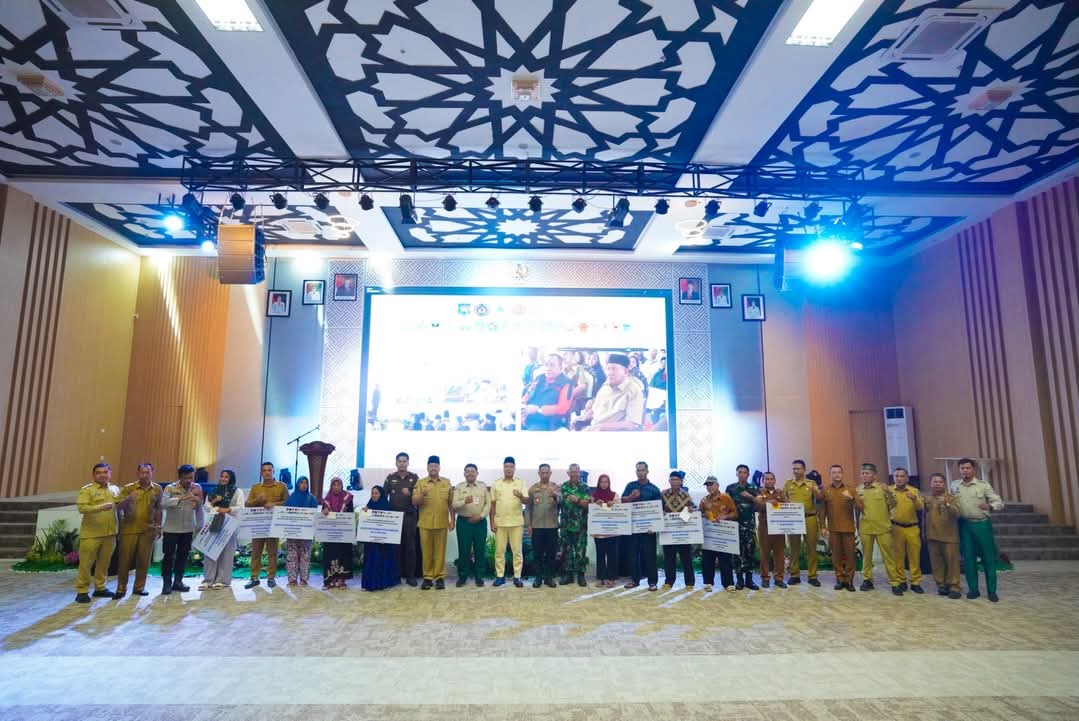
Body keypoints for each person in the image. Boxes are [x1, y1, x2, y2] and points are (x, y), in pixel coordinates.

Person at [951, 457, 1004, 602]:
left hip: (982, 525)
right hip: (964, 525)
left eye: (968, 468)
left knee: (988, 559)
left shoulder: (983, 485)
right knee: (968, 559)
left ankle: (992, 591)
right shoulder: (954, 485)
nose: (965, 471)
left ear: (973, 469)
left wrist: (991, 506)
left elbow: (998, 502)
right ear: (959, 470)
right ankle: (973, 590)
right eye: (962, 468)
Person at [74, 462, 121, 603]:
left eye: (105, 472)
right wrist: (100, 507)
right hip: (91, 534)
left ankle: (100, 587)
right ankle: (82, 591)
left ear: (110, 473)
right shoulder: (87, 490)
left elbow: (119, 505)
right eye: (98, 473)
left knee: (104, 563)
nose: (102, 475)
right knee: (86, 564)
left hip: (110, 533)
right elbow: (82, 508)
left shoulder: (115, 489)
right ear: (94, 475)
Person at [114, 462, 162, 599]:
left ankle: (139, 587)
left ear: (152, 473)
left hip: (148, 530)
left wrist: (158, 526)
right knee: (124, 561)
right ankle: (121, 588)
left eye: (147, 472)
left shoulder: (157, 489)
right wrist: (129, 498)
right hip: (129, 529)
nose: (144, 475)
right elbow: (117, 507)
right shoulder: (128, 488)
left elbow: (158, 508)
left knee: (144, 561)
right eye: (142, 472)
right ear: (137, 473)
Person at [856, 463, 901, 594]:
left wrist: (889, 492)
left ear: (874, 475)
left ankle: (895, 582)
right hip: (865, 527)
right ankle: (867, 580)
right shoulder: (858, 490)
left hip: (883, 527)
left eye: (867, 473)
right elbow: (856, 508)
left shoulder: (882, 488)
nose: (865, 475)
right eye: (863, 473)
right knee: (867, 556)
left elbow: (893, 504)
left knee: (888, 556)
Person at [160, 464, 204, 595]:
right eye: (185, 478)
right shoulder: (170, 488)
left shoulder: (197, 488)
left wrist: (197, 500)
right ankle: (166, 584)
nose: (188, 481)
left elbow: (199, 506)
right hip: (171, 529)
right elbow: (163, 503)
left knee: (183, 556)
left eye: (191, 477)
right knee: (168, 557)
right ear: (179, 477)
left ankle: (178, 582)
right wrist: (181, 498)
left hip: (188, 529)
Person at [244, 461, 289, 589]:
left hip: (274, 525)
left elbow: (288, 502)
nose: (267, 472)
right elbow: (247, 505)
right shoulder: (255, 487)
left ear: (273, 471)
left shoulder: (282, 486)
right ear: (261, 473)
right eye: (264, 470)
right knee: (256, 552)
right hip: (258, 524)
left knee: (272, 552)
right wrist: (257, 500)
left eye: (269, 470)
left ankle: (271, 578)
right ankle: (254, 578)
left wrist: (274, 504)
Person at [199, 469, 244, 590]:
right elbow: (207, 506)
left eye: (226, 477)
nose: (223, 479)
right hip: (214, 521)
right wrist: (216, 505)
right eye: (222, 476)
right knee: (210, 550)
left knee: (227, 552)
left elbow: (240, 507)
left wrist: (228, 510)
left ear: (231, 479)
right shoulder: (214, 490)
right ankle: (208, 580)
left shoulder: (237, 491)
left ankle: (222, 580)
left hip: (230, 523)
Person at [414, 455, 453, 590]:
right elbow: (414, 501)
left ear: (439, 467)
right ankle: (428, 578)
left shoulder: (446, 482)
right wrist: (423, 494)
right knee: (426, 552)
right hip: (425, 523)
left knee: (440, 552)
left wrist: (452, 520)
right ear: (427, 467)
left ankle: (440, 577)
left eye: (436, 466)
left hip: (442, 523)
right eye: (431, 466)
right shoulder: (421, 483)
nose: (433, 468)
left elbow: (450, 503)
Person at [820, 464, 861, 591]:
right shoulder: (826, 490)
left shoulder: (851, 489)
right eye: (834, 472)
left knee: (850, 556)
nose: (836, 474)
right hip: (833, 530)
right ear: (830, 475)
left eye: (839, 472)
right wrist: (823, 527)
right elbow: (822, 510)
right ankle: (839, 579)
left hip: (848, 529)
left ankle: (849, 580)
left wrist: (852, 498)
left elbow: (861, 507)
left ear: (842, 474)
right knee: (836, 556)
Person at [622, 461, 662, 591]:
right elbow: (622, 501)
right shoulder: (630, 486)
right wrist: (631, 497)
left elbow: (659, 509)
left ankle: (652, 582)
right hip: (633, 527)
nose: (640, 472)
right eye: (638, 470)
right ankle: (634, 580)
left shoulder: (654, 489)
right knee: (632, 555)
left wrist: (655, 527)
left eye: (642, 470)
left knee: (650, 555)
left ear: (647, 471)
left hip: (649, 529)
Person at [582, 353, 645, 431]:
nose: (610, 373)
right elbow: (596, 411)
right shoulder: (605, 387)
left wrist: (599, 427)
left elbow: (631, 424)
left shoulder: (633, 390)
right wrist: (584, 418)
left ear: (625, 372)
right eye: (608, 369)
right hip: (592, 428)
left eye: (614, 369)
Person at [452, 463, 490, 587]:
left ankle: (479, 576)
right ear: (464, 474)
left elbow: (488, 504)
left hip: (480, 522)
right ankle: (462, 576)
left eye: (472, 471)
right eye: (467, 471)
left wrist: (481, 516)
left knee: (480, 549)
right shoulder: (459, 487)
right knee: (464, 550)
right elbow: (454, 505)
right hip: (464, 522)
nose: (470, 473)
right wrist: (464, 501)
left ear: (477, 473)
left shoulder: (483, 486)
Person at [384, 452, 420, 586]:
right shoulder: (390, 478)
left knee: (410, 547)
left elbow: (419, 498)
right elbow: (383, 497)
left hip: (410, 517)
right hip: (394, 518)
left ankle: (410, 576)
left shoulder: (414, 478)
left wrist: (409, 494)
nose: (402, 464)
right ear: (396, 463)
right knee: (395, 548)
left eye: (404, 461)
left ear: (408, 463)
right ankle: (396, 575)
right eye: (400, 461)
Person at [784, 459, 821, 587]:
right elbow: (783, 499)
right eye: (794, 469)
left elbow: (820, 499)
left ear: (804, 470)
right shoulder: (788, 484)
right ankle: (794, 575)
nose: (796, 471)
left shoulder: (811, 483)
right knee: (793, 548)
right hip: (793, 519)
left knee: (811, 548)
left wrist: (816, 491)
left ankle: (812, 576)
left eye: (798, 468)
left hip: (809, 518)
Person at [925, 473, 962, 599]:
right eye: (934, 482)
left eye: (940, 482)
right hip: (932, 536)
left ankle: (954, 586)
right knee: (937, 563)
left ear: (944, 484)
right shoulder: (927, 499)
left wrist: (946, 504)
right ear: (930, 484)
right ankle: (941, 584)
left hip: (949, 536)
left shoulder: (951, 498)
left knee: (952, 563)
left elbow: (957, 513)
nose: (937, 484)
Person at [490, 457, 526, 587]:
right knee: (499, 552)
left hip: (516, 522)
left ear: (514, 468)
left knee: (517, 552)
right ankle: (500, 576)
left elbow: (527, 501)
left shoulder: (520, 483)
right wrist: (492, 522)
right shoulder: (496, 483)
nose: (508, 469)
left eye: (511, 466)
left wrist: (520, 496)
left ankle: (517, 577)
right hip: (500, 523)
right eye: (506, 466)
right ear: (503, 468)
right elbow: (493, 504)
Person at [698, 476, 737, 592]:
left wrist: (725, 516)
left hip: (723, 535)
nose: (709, 487)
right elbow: (699, 515)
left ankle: (728, 583)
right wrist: (703, 514)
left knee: (725, 559)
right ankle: (708, 583)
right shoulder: (703, 500)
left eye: (711, 484)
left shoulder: (726, 498)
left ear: (717, 485)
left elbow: (735, 513)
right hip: (709, 535)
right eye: (707, 485)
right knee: (707, 559)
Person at [525, 464, 561, 588]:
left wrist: (555, 495)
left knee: (551, 554)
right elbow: (528, 508)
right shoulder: (533, 489)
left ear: (550, 473)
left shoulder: (556, 487)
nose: (545, 475)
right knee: (537, 554)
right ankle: (538, 578)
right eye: (542, 473)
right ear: (539, 473)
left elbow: (563, 503)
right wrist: (528, 524)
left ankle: (549, 578)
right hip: (537, 526)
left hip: (552, 526)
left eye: (547, 472)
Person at [889, 467, 924, 593]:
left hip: (912, 527)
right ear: (893, 478)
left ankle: (915, 581)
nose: (899, 478)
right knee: (898, 556)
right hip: (896, 527)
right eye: (896, 476)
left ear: (907, 478)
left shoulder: (914, 491)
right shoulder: (889, 490)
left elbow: (920, 507)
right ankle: (901, 580)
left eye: (902, 476)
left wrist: (914, 499)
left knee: (914, 556)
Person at [660, 470, 696, 590]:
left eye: (677, 479)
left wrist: (691, 509)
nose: (674, 482)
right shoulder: (663, 494)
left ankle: (690, 582)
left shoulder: (686, 495)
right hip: (668, 532)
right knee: (669, 558)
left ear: (681, 481)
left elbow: (693, 507)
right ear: (669, 481)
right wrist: (661, 512)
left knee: (686, 558)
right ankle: (669, 581)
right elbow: (657, 508)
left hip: (683, 531)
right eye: (672, 479)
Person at [725, 464, 759, 590]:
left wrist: (750, 497)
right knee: (737, 554)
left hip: (749, 526)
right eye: (740, 472)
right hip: (735, 526)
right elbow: (726, 505)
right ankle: (739, 580)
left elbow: (760, 503)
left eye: (745, 472)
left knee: (750, 553)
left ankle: (749, 581)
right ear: (736, 474)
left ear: (748, 474)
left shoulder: (753, 487)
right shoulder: (730, 488)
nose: (742, 474)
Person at [360, 486, 400, 591]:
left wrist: (384, 537)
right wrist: (364, 512)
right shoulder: (369, 506)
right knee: (371, 561)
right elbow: (365, 524)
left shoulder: (387, 506)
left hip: (384, 544)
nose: (374, 495)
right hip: (371, 542)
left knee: (381, 560)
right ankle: (370, 583)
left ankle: (382, 583)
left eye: (376, 493)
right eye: (372, 493)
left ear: (381, 494)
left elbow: (390, 525)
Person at [753, 471, 788, 589]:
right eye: (766, 479)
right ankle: (765, 578)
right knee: (765, 553)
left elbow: (788, 505)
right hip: (765, 527)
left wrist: (782, 498)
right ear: (763, 481)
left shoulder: (780, 492)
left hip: (779, 527)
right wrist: (770, 502)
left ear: (775, 480)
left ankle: (779, 578)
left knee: (779, 554)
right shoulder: (759, 492)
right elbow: (758, 506)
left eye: (771, 479)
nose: (769, 481)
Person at [521, 353, 574, 430]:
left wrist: (538, 409)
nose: (548, 368)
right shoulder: (539, 378)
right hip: (528, 417)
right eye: (546, 365)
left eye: (552, 365)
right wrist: (521, 406)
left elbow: (562, 408)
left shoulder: (566, 383)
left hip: (549, 422)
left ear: (561, 367)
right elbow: (527, 395)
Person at [320, 476, 355, 589]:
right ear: (331, 486)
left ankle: (341, 580)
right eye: (334, 485)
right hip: (330, 534)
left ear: (342, 486)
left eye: (338, 485)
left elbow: (350, 514)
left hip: (343, 533)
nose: (336, 487)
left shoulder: (347, 498)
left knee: (343, 554)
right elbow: (322, 516)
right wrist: (324, 511)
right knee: (330, 555)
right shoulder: (326, 499)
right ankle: (329, 581)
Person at [559, 463, 590, 586]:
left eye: (576, 472)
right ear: (568, 473)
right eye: (572, 472)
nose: (574, 474)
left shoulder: (585, 487)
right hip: (566, 525)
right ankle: (569, 575)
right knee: (566, 551)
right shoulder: (564, 486)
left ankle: (581, 575)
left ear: (579, 473)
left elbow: (588, 505)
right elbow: (559, 501)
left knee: (580, 551)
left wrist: (578, 500)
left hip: (580, 526)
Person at [284, 477, 319, 586]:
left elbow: (315, 515)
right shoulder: (291, 498)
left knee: (305, 556)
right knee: (292, 556)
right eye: (301, 483)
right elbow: (285, 514)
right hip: (293, 532)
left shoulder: (311, 499)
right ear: (297, 484)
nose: (304, 485)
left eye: (306, 483)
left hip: (306, 532)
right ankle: (292, 579)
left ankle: (304, 579)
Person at [590, 474, 619, 587]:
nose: (604, 484)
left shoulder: (614, 495)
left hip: (612, 532)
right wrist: (595, 504)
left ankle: (611, 578)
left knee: (612, 555)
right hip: (599, 533)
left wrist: (613, 504)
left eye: (606, 482)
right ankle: (601, 578)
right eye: (602, 482)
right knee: (600, 555)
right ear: (598, 483)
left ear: (609, 483)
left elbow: (620, 510)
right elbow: (590, 510)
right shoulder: (594, 496)